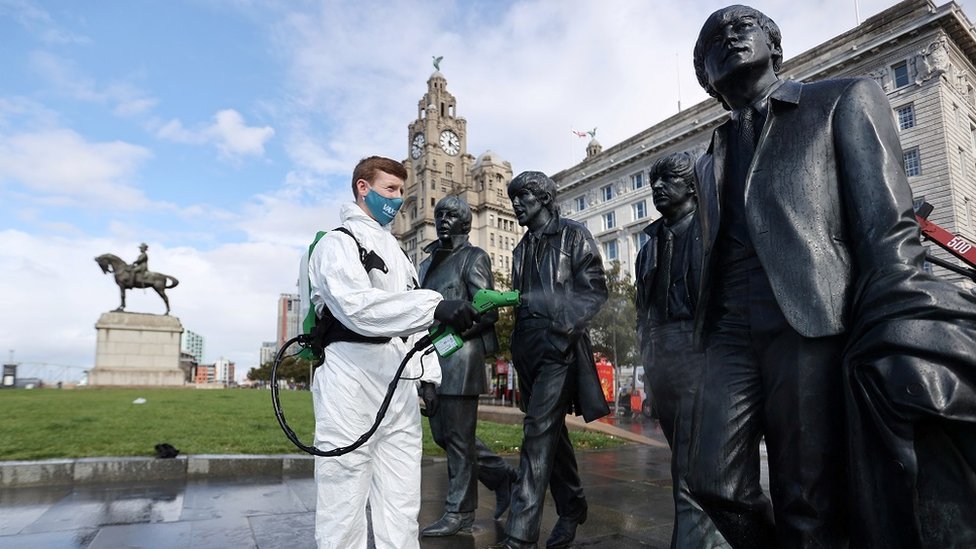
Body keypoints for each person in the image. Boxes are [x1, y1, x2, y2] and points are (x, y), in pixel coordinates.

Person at [690, 5, 976, 548]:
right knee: (713, 482)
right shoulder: (708, 158)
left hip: (812, 318)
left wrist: (898, 326)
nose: (728, 35)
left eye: (742, 25)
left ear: (774, 46)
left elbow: (885, 223)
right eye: (712, 38)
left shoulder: (842, 99)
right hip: (728, 331)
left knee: (808, 496)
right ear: (706, 75)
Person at [306, 155, 480, 549]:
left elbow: (411, 330)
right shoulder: (338, 243)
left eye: (402, 191)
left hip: (399, 386)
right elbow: (358, 307)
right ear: (362, 188)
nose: (398, 199)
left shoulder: (399, 254)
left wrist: (429, 377)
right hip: (351, 382)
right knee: (343, 498)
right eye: (390, 189)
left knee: (401, 502)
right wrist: (433, 305)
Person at [488, 171, 609, 549]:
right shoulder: (521, 248)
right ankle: (572, 506)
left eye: (521, 197)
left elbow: (595, 291)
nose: (516, 206)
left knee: (536, 436)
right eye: (513, 199)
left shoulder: (573, 235)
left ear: (541, 197)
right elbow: (523, 299)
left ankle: (520, 536)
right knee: (549, 434)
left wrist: (561, 333)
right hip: (527, 349)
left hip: (560, 347)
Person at [634, 152, 727, 549]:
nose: (657, 188)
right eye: (654, 181)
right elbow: (643, 313)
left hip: (702, 355)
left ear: (691, 186)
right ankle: (723, 535)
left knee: (688, 464)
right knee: (688, 459)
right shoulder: (648, 247)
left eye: (667, 179)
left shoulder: (714, 233)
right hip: (662, 360)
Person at [418, 196, 518, 537]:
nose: (443, 219)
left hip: (460, 358)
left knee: (459, 439)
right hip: (430, 360)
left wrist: (452, 334)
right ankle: (503, 477)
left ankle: (459, 512)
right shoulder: (427, 262)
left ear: (466, 222)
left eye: (452, 215)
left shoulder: (474, 257)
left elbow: (487, 309)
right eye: (439, 214)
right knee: (445, 436)